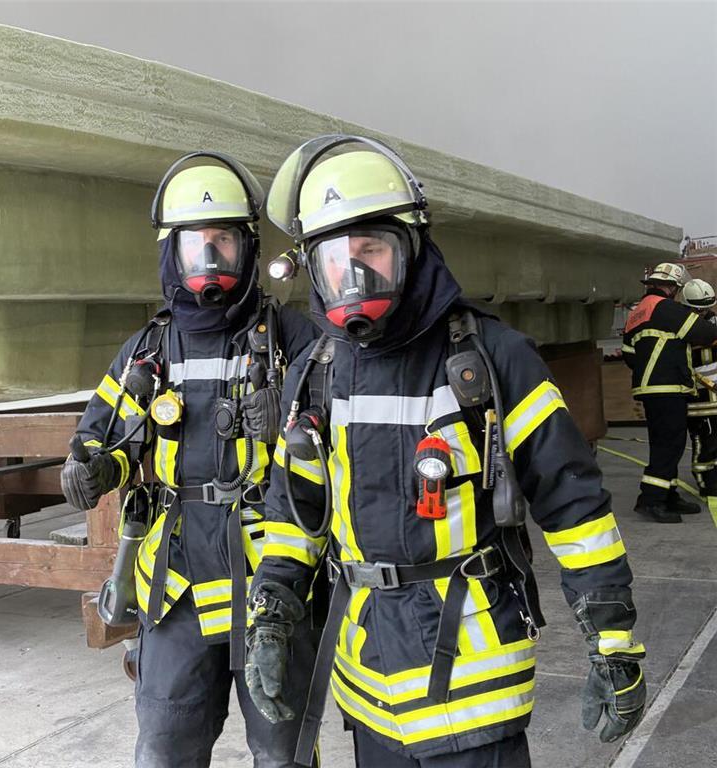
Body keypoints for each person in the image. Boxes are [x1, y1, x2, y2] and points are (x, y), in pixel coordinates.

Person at [244, 135, 648, 767]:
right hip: (367, 679)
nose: (354, 274)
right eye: (333, 257)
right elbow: (293, 510)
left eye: (371, 249)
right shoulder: (315, 372)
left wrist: (613, 638)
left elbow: (574, 505)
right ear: (310, 268)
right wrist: (272, 607)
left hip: (473, 681)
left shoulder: (492, 358)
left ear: (411, 246)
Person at [60, 152, 320, 767]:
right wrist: (93, 469)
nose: (209, 262)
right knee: (164, 750)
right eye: (196, 246)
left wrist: (283, 416)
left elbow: (333, 449)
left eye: (223, 244)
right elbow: (104, 440)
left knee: (284, 753)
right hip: (173, 586)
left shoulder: (292, 339)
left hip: (270, 584)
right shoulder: (145, 351)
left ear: (249, 250)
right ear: (171, 254)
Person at [622, 263, 717, 522]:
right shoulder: (664, 308)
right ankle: (651, 499)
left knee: (667, 443)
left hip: (650, 388)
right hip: (668, 387)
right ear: (672, 287)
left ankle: (668, 494)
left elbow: (629, 356)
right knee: (668, 445)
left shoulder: (636, 313)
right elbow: (705, 333)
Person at [682, 277, 717, 527]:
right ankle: (707, 484)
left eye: (706, 308)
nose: (703, 313)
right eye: (698, 309)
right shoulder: (683, 329)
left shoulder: (712, 325)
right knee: (705, 444)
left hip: (714, 399)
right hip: (698, 402)